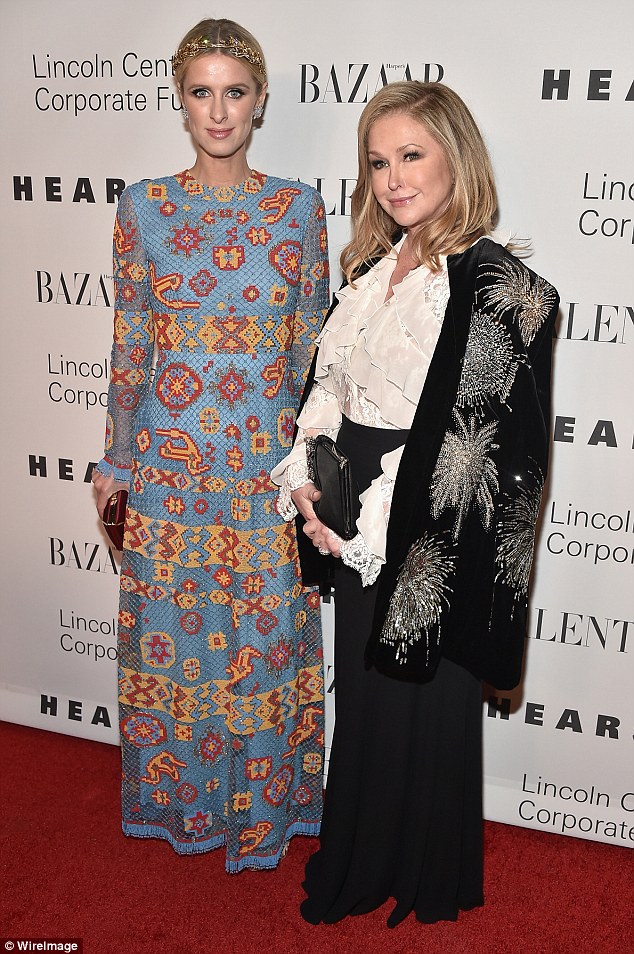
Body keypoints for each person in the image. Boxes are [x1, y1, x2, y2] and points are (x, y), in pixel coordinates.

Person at [272, 81, 559, 924]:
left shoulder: (501, 284)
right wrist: (307, 475)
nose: (393, 178)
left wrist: (382, 522)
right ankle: (361, 856)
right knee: (366, 693)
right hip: (349, 501)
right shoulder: (369, 272)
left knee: (424, 692)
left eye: (411, 155)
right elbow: (329, 386)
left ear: (455, 159)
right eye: (377, 161)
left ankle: (426, 872)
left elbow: (490, 442)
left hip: (438, 521)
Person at [92, 18, 330, 872]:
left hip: (266, 470)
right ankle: (183, 807)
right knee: (176, 648)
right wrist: (115, 461)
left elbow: (311, 355)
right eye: (202, 92)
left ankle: (268, 813)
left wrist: (310, 466)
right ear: (181, 100)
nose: (219, 111)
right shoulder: (143, 207)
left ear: (259, 102)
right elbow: (131, 347)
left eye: (235, 92)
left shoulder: (298, 210)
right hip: (169, 468)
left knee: (266, 652)